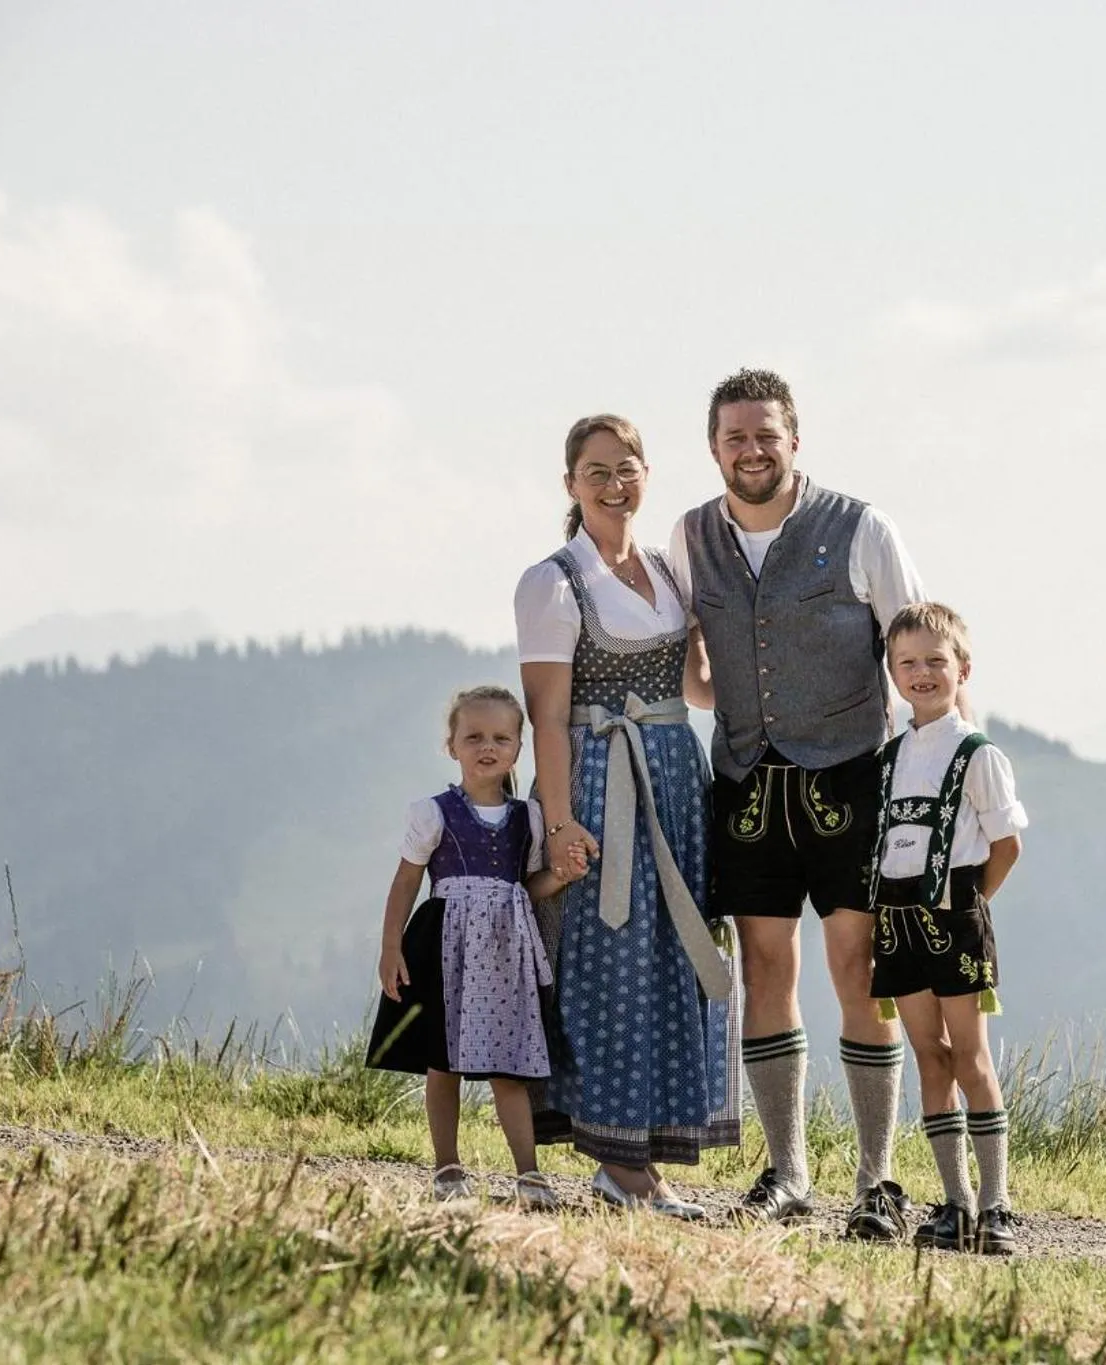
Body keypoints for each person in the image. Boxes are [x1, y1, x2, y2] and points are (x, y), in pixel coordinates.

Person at [668, 368, 937, 1240]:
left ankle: (878, 1180)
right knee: (763, 969)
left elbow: (919, 647)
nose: (752, 450)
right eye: (735, 437)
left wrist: (943, 771)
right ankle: (786, 1172)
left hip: (851, 777)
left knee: (857, 968)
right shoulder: (691, 536)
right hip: (746, 781)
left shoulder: (862, 527)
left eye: (766, 435)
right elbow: (690, 664)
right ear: (714, 447)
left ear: (795, 438)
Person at [515, 413, 742, 1219]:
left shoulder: (666, 569)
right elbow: (546, 715)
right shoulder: (554, 582)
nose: (616, 483)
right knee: (611, 964)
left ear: (648, 472)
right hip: (603, 783)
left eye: (628, 466)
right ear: (571, 484)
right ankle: (619, 1164)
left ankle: (642, 1159)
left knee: (673, 959)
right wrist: (561, 819)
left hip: (675, 778)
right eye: (597, 470)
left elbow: (701, 687)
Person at [366, 685, 579, 1209]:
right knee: (445, 1062)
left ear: (518, 747)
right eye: (474, 737)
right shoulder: (433, 813)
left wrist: (560, 877)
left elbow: (525, 888)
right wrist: (390, 947)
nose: (488, 747)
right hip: (444, 942)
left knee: (509, 1063)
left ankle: (528, 1174)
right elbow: (405, 883)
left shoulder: (528, 818)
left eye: (501, 738)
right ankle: (447, 1169)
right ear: (452, 745)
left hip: (506, 951)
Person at [867, 603, 1027, 1254]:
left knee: (970, 1056)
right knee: (928, 1055)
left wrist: (969, 905)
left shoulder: (977, 753)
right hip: (896, 921)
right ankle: (954, 1202)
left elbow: (1006, 843)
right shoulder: (891, 756)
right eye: (908, 663)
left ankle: (997, 1204)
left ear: (963, 668)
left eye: (936, 660)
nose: (923, 673)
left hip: (954, 913)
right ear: (893, 674)